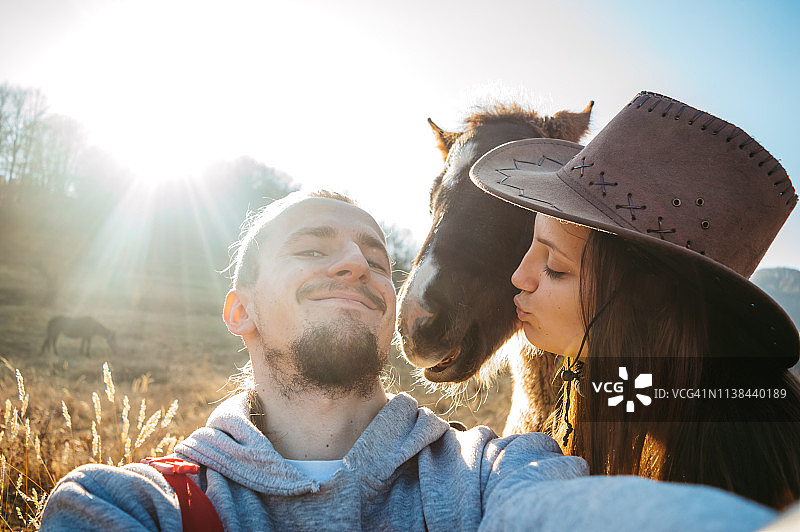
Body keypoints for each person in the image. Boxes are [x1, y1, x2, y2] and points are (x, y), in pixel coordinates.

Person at [40, 190, 783, 531]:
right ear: (240, 312)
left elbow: (557, 510)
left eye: (374, 257)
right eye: (310, 249)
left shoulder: (499, 470)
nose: (356, 268)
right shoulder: (130, 505)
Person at [470, 90, 800, 509]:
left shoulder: (745, 488)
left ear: (650, 305)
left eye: (555, 266)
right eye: (531, 246)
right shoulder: (622, 394)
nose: (519, 277)